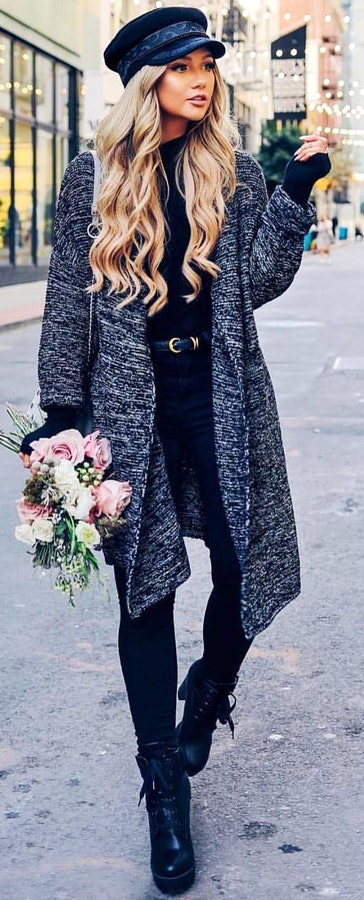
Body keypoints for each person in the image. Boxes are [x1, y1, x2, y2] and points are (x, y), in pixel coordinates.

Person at [18, 8, 330, 894]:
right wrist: (60, 410)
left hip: (220, 396)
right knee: (145, 589)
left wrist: (296, 187)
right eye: (183, 67)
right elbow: (66, 301)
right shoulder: (93, 175)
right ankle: (164, 786)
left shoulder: (224, 168)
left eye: (208, 65)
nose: (201, 79)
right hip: (129, 406)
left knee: (245, 566)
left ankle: (212, 691)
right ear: (145, 80)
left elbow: (261, 279)